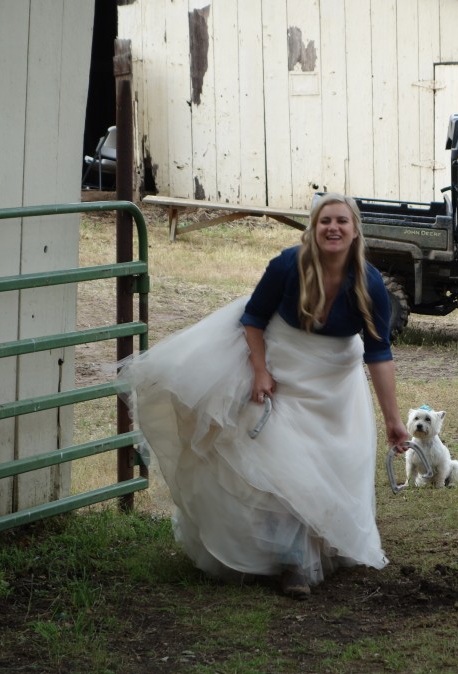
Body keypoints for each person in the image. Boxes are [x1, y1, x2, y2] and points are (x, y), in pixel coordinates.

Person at [118, 192, 410, 600]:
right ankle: (292, 562)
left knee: (330, 462)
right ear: (313, 227)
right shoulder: (288, 265)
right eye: (325, 220)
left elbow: (379, 354)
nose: (333, 228)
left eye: (342, 221)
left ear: (355, 230)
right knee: (283, 463)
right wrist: (260, 372)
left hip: (333, 388)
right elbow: (252, 319)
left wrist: (393, 419)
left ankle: (322, 542)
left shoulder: (369, 283)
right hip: (281, 374)